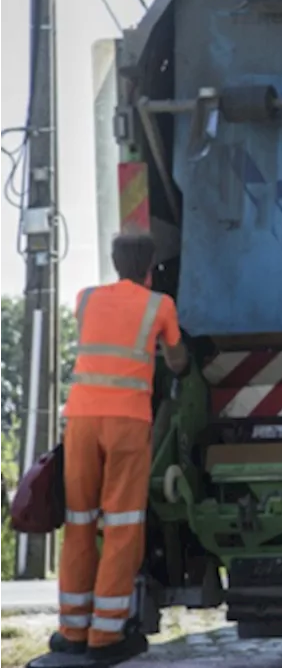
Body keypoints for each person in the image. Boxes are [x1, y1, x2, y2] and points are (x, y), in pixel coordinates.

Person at [48, 231, 189, 664]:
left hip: (83, 419)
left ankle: (72, 629)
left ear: (114, 264)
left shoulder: (86, 298)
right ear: (150, 270)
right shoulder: (159, 305)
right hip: (127, 422)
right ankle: (105, 637)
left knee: (79, 521)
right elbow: (177, 360)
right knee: (123, 525)